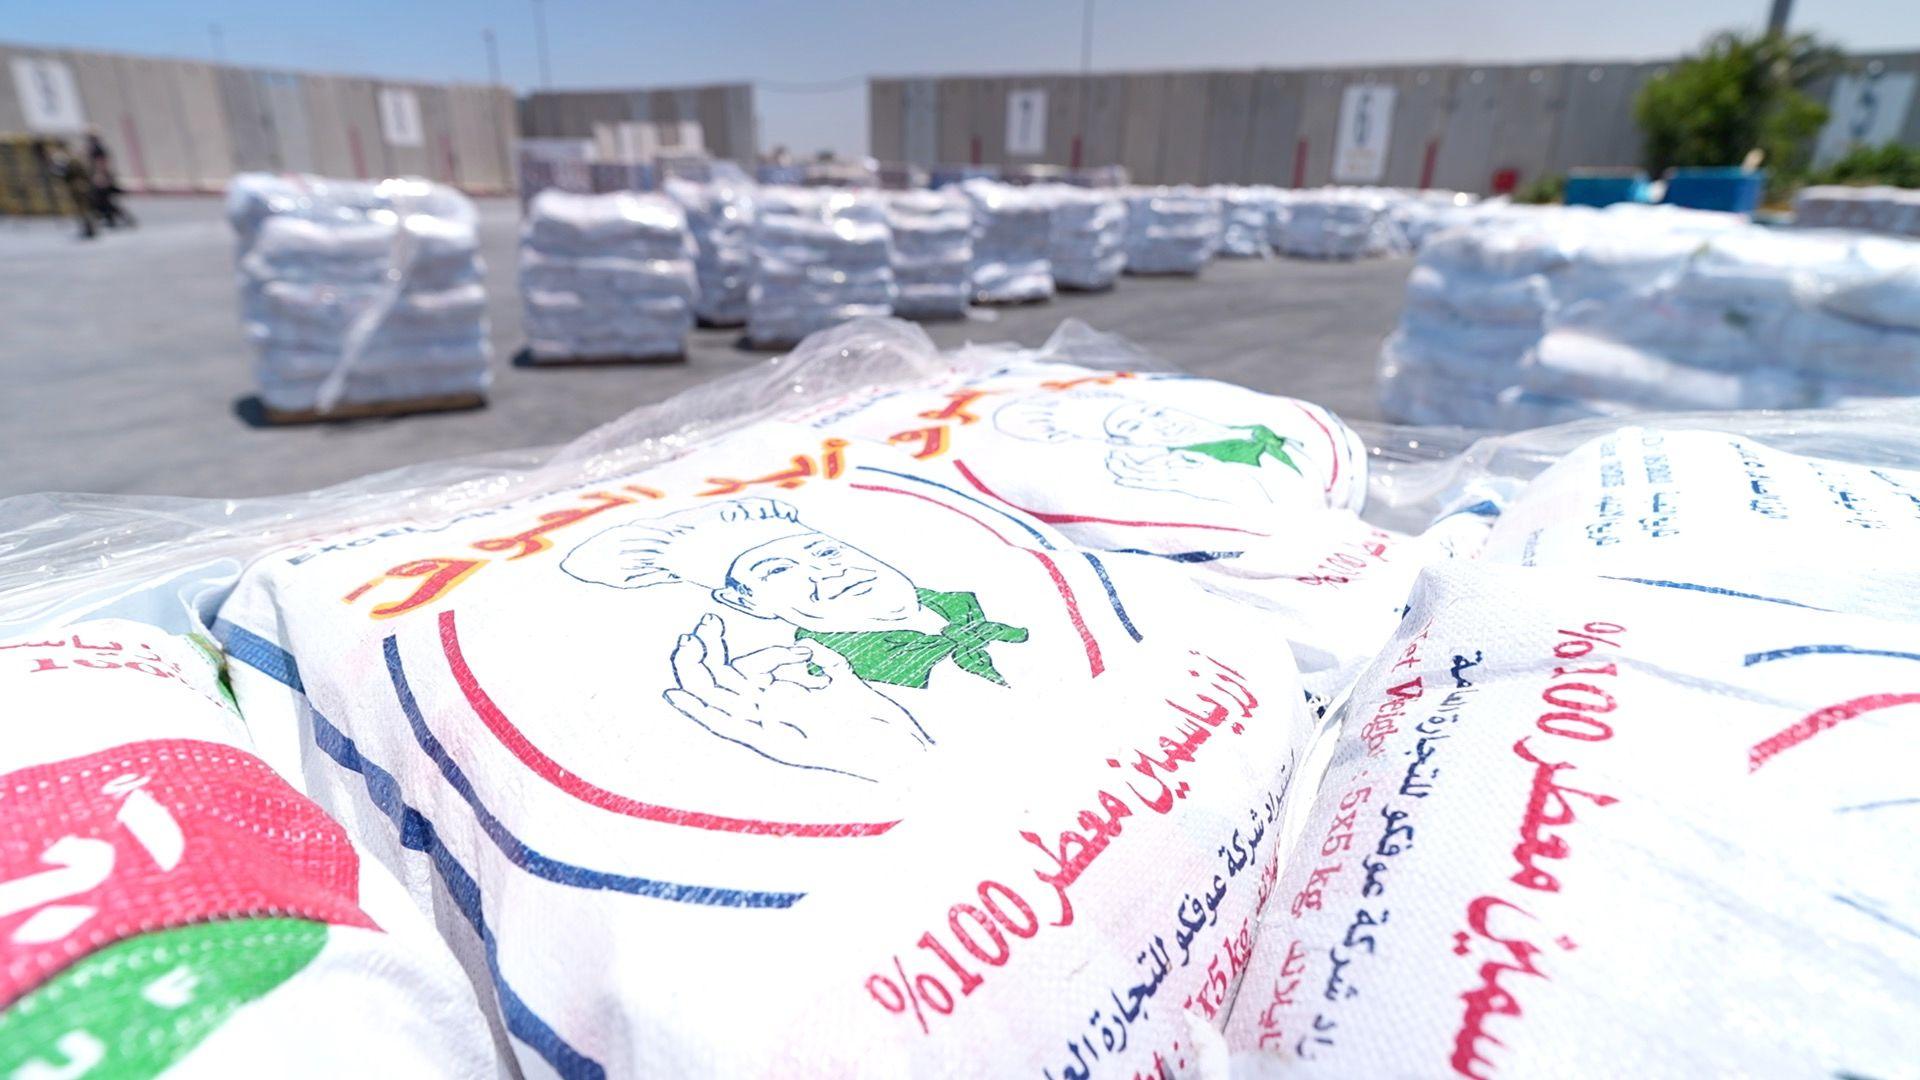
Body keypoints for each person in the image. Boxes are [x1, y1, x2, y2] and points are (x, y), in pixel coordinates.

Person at [561, 496, 1028, 782]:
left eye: (824, 550)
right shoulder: (824, 692)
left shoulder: (981, 595)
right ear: (745, 603)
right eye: (779, 570)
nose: (828, 569)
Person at [994, 390, 1303, 504]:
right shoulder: (1196, 471)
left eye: (1152, 413)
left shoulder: (1249, 428)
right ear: (1122, 444)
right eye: (1134, 428)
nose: (1163, 422)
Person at [43, 145, 97, 240]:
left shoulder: (73, 163)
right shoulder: (75, 163)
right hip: (80, 188)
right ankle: (89, 230)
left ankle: (89, 230)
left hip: (78, 189)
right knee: (84, 210)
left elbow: (67, 174)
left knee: (83, 210)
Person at [85, 131, 134, 229]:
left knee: (103, 200)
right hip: (101, 176)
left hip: (101, 177)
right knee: (103, 201)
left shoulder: (97, 148)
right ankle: (111, 219)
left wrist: (100, 176)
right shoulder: (95, 147)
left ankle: (121, 218)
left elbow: (102, 162)